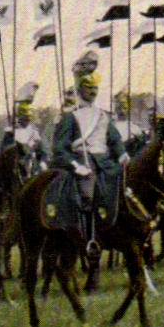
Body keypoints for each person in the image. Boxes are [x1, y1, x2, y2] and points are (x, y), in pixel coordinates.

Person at [49, 51, 125, 246]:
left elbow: (114, 138)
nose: (92, 92)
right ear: (80, 90)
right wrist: (75, 165)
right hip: (83, 161)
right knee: (88, 196)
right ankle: (89, 237)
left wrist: (122, 152)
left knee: (123, 187)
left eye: (95, 88)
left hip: (105, 161)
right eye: (88, 88)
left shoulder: (103, 115)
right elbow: (60, 148)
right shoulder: (70, 117)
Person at [112, 92, 150, 158]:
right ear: (115, 108)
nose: (122, 111)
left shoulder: (133, 127)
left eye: (124, 108)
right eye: (119, 108)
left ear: (128, 109)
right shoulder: (111, 126)